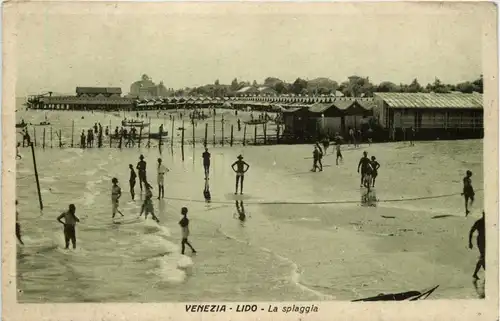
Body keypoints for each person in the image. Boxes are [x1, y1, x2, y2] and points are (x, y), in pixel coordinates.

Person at [469, 211, 485, 279]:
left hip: (486, 241)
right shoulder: (479, 222)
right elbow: (471, 231)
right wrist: (470, 242)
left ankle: (475, 274)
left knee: (484, 257)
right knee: (483, 256)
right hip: (481, 241)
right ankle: (475, 273)